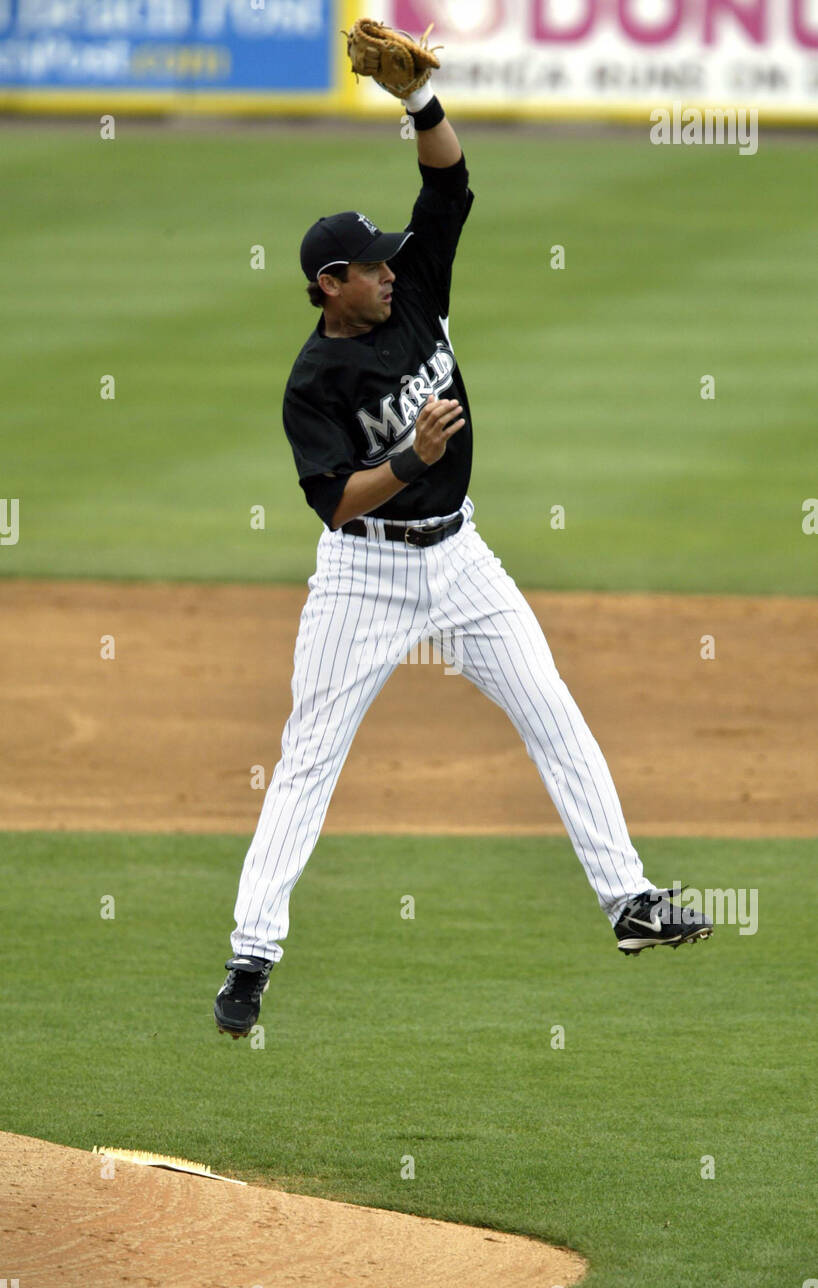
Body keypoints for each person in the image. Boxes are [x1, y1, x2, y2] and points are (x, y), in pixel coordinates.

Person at [214, 81, 712, 1039]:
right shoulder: (313, 383)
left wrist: (421, 98)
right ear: (330, 286)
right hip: (364, 574)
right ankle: (251, 955)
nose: (389, 272)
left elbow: (449, 183)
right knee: (309, 757)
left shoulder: (417, 284)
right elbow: (335, 501)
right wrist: (410, 459)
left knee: (550, 708)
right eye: (369, 267)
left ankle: (629, 904)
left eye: (388, 259)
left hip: (462, 556)